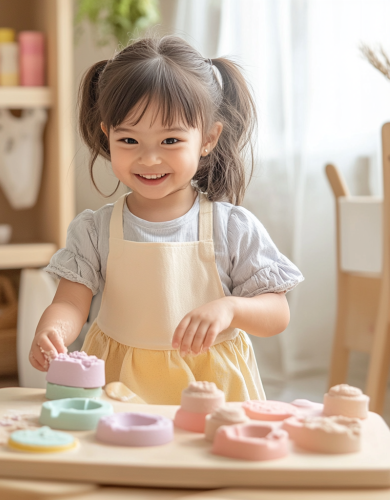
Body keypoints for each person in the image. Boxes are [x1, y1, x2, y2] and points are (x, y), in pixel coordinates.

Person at [29, 35, 304, 404]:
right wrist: (54, 330)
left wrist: (231, 308)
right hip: (119, 382)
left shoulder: (231, 227)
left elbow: (277, 313)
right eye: (129, 141)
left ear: (207, 139)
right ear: (107, 135)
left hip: (211, 388)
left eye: (170, 141)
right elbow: (71, 303)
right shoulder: (95, 229)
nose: (149, 159)